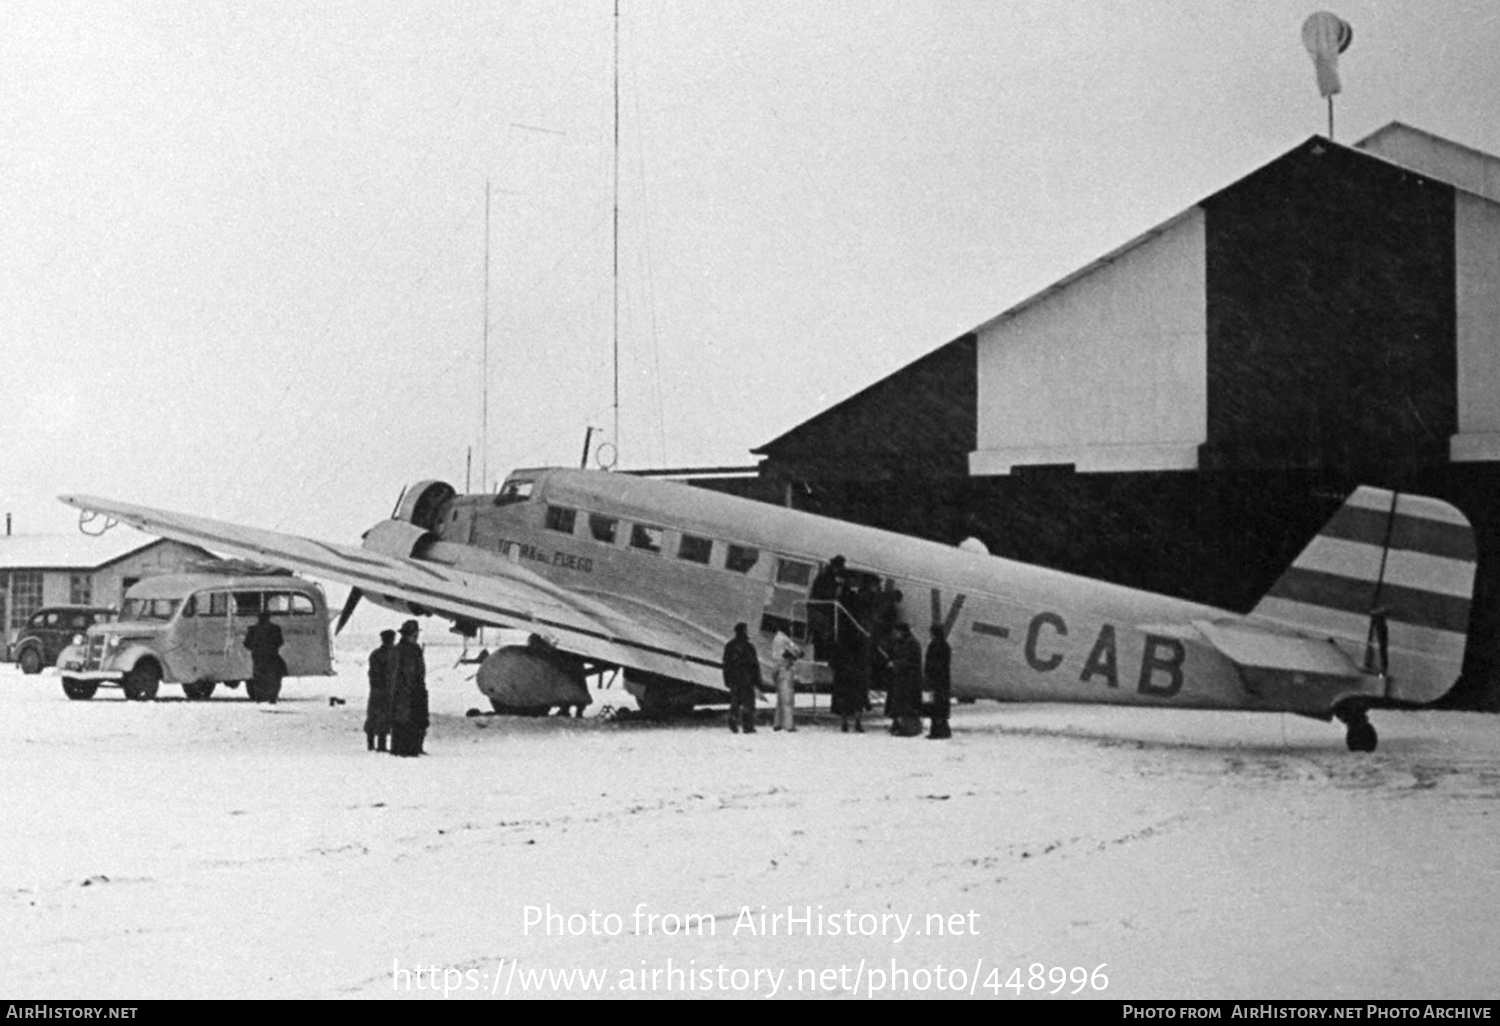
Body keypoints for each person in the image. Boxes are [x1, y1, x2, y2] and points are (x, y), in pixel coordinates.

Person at [390, 619, 429, 756]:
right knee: (404, 720)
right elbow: (400, 672)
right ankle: (403, 749)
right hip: (406, 690)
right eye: (414, 633)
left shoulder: (414, 649)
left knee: (419, 720)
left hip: (415, 688)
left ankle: (415, 747)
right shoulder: (401, 650)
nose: (416, 636)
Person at [721, 622, 761, 734]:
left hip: (734, 678)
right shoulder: (749, 647)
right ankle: (747, 726)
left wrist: (726, 679)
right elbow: (754, 665)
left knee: (735, 701)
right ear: (744, 631)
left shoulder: (729, 645)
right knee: (748, 703)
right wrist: (757, 680)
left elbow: (726, 664)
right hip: (747, 678)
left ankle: (733, 719)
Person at [887, 622, 924, 737]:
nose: (895, 634)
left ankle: (909, 728)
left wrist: (895, 664)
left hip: (909, 678)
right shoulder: (906, 642)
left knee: (907, 703)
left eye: (897, 632)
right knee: (901, 703)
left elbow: (910, 661)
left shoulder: (911, 644)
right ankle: (900, 725)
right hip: (903, 677)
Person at [242, 609, 286, 704]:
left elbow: (246, 644)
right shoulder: (275, 628)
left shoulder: (253, 629)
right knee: (274, 677)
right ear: (269, 618)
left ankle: (259, 697)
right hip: (272, 656)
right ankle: (272, 697)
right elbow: (280, 642)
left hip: (258, 656)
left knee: (259, 677)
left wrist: (255, 649)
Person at [364, 629, 398, 751]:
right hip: (387, 690)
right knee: (384, 717)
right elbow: (392, 673)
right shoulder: (393, 654)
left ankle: (370, 744)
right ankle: (381, 745)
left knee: (372, 716)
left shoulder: (375, 654)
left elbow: (371, 672)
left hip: (376, 690)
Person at [808, 555, 846, 659]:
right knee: (821, 641)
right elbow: (828, 595)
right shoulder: (828, 578)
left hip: (818, 612)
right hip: (821, 613)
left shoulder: (824, 575)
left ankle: (819, 659)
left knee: (820, 641)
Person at [770, 630, 803, 732]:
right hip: (785, 673)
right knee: (788, 699)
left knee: (780, 699)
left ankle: (777, 723)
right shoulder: (784, 640)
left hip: (778, 671)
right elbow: (797, 651)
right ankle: (789, 725)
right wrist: (796, 653)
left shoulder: (777, 639)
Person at [925, 624, 952, 740]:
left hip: (936, 681)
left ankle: (937, 730)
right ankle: (942, 729)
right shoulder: (945, 645)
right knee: (940, 706)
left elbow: (933, 664)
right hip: (943, 681)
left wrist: (929, 675)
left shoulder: (935, 646)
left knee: (935, 706)